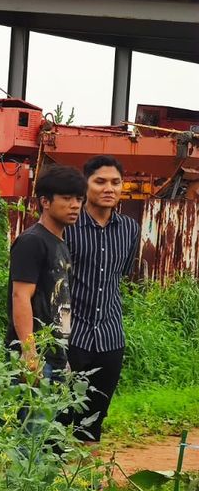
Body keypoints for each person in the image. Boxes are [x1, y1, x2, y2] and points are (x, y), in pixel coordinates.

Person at [62, 155, 140, 443]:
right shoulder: (68, 226)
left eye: (116, 182)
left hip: (110, 337)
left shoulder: (130, 229)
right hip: (71, 337)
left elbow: (119, 276)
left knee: (93, 423)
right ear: (86, 185)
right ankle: (50, 487)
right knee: (58, 421)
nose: (109, 188)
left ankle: (87, 486)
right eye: (100, 181)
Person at [7, 164, 85, 383]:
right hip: (37, 356)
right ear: (45, 201)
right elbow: (20, 296)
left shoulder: (60, 243)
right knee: (30, 418)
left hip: (56, 355)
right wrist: (29, 353)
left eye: (79, 199)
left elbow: (60, 301)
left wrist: (64, 356)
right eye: (67, 198)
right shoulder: (33, 241)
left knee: (50, 418)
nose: (75, 206)